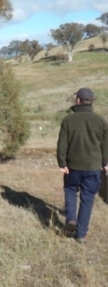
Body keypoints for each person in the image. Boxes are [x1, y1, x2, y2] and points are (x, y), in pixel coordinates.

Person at [57, 87, 108, 243]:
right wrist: (106, 163)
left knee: (70, 189)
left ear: (77, 100)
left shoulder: (68, 120)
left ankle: (71, 219)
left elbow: (62, 144)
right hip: (93, 167)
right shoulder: (101, 121)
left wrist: (62, 163)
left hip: (72, 167)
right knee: (87, 199)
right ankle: (80, 235)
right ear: (91, 101)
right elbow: (106, 145)